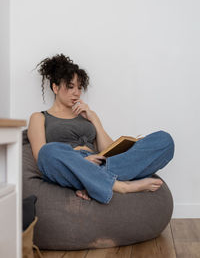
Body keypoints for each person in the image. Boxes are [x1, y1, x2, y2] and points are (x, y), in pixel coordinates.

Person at [28, 54, 175, 204]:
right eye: (71, 87)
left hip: (101, 163)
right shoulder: (39, 117)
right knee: (48, 152)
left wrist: (94, 119)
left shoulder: (86, 115)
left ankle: (93, 182)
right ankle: (121, 186)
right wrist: (83, 162)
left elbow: (108, 150)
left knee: (164, 140)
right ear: (55, 87)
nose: (77, 93)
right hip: (71, 163)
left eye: (79, 88)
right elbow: (40, 157)